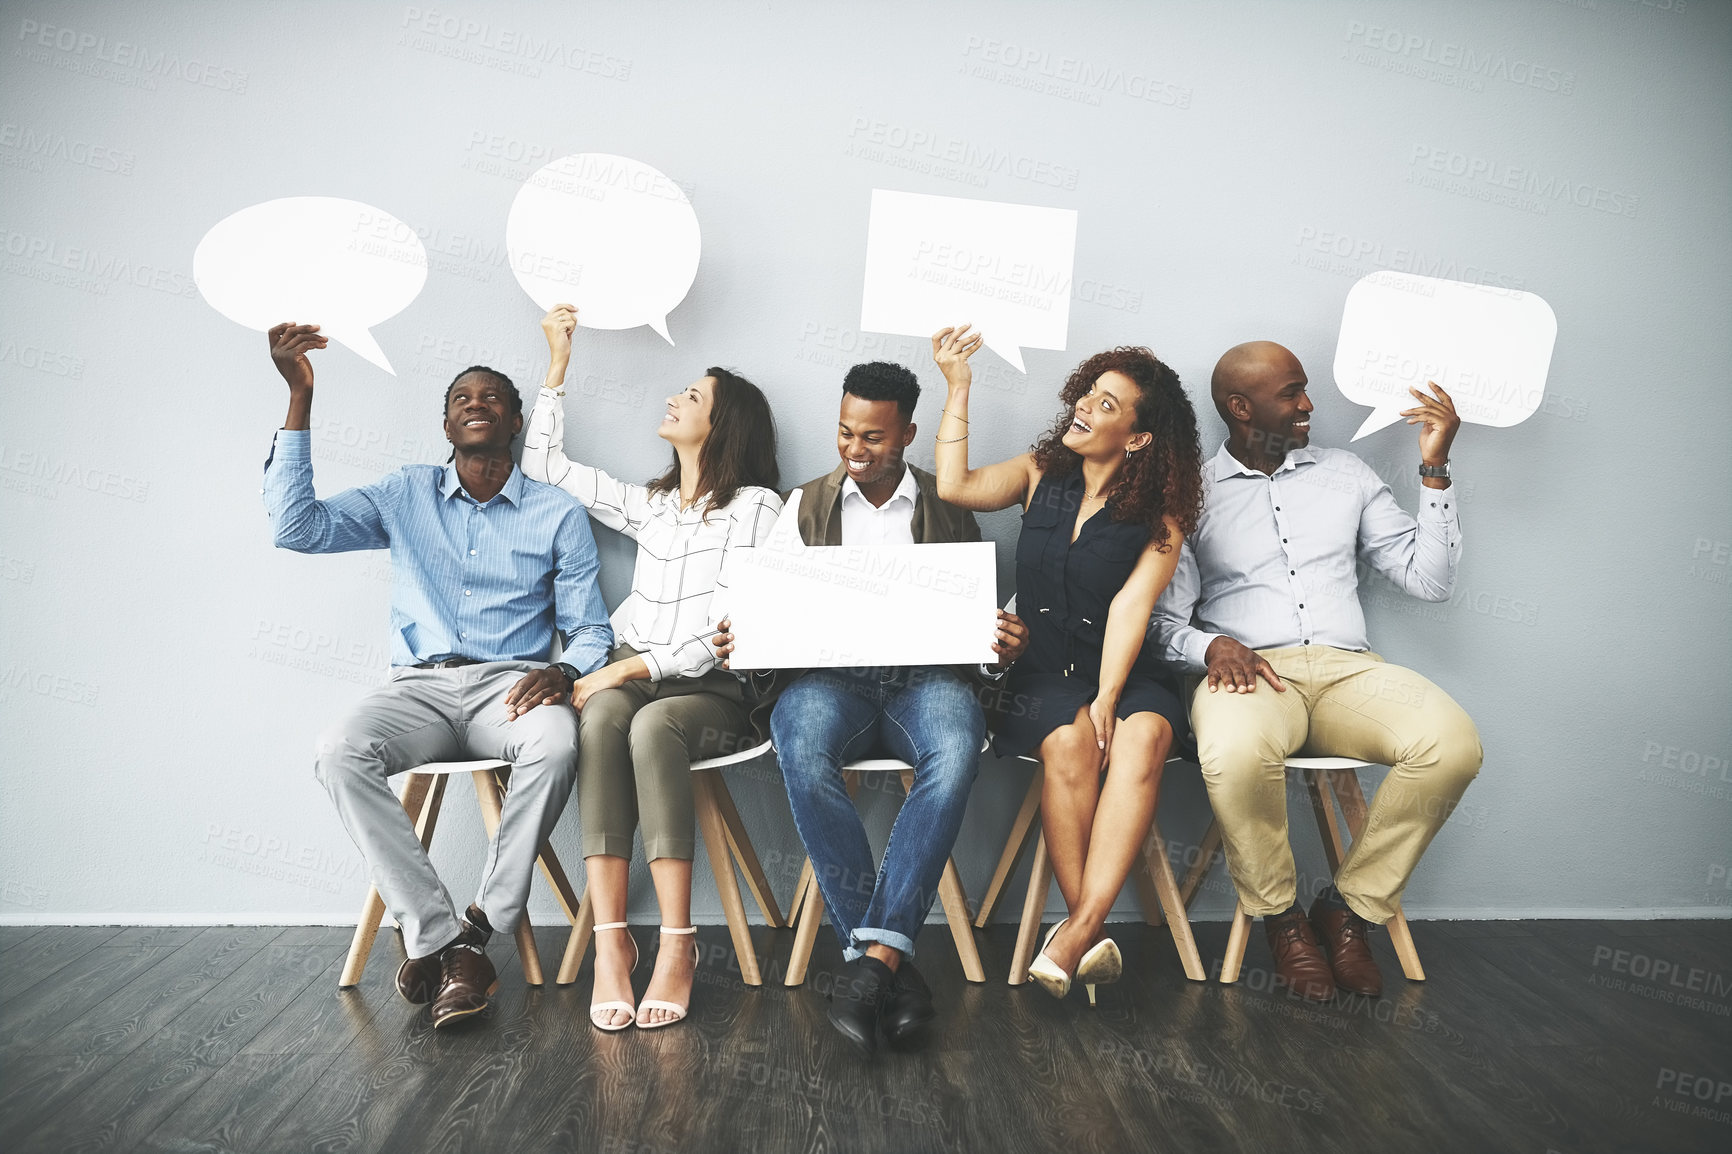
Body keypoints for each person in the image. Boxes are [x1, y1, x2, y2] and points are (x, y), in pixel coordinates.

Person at [260, 322, 613, 1028]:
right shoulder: (405, 493)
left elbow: (592, 629)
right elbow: (295, 528)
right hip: (418, 688)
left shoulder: (558, 513)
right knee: (338, 750)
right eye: (460, 397)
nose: (474, 402)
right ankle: (445, 938)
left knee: (558, 742)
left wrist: (566, 670)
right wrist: (300, 397)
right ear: (447, 423)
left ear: (515, 421)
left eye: (490, 396)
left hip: (511, 685)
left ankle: (484, 924)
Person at [712, 359, 1029, 1058]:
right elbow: (766, 611)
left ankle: (866, 969)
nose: (856, 450)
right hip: (832, 681)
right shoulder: (805, 505)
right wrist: (746, 637)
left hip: (926, 681)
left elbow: (970, 620)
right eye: (846, 433)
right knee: (800, 745)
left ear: (910, 434)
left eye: (875, 438)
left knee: (955, 750)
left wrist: (994, 648)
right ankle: (887, 964)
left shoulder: (950, 504)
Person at [1151, 340, 1484, 1000]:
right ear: (1240, 408)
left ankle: (1350, 910)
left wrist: (1435, 470)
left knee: (1451, 746)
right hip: (1249, 673)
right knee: (1233, 749)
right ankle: (1281, 920)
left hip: (1345, 671)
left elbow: (1430, 581)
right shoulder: (1190, 492)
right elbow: (1161, 623)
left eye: (1305, 390)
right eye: (1291, 392)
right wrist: (1209, 648)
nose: (1308, 405)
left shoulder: (1348, 474)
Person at [520, 304, 781, 1031]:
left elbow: (723, 632)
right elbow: (544, 468)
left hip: (712, 691)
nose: (674, 399)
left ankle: (677, 943)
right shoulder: (655, 506)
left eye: (692, 396)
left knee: (649, 722)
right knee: (601, 719)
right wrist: (558, 364)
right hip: (631, 677)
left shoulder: (759, 509)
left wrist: (618, 671)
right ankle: (612, 948)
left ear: (725, 425)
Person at [930, 326, 1203, 1006]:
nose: (1084, 405)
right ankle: (1086, 930)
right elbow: (955, 485)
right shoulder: (1035, 473)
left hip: (1124, 670)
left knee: (1140, 732)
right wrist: (958, 387)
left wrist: (1111, 693)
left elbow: (1132, 608)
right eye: (1088, 392)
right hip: (1040, 676)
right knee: (1072, 738)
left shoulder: (1161, 516)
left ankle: (1076, 931)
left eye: (1108, 404)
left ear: (1138, 438)